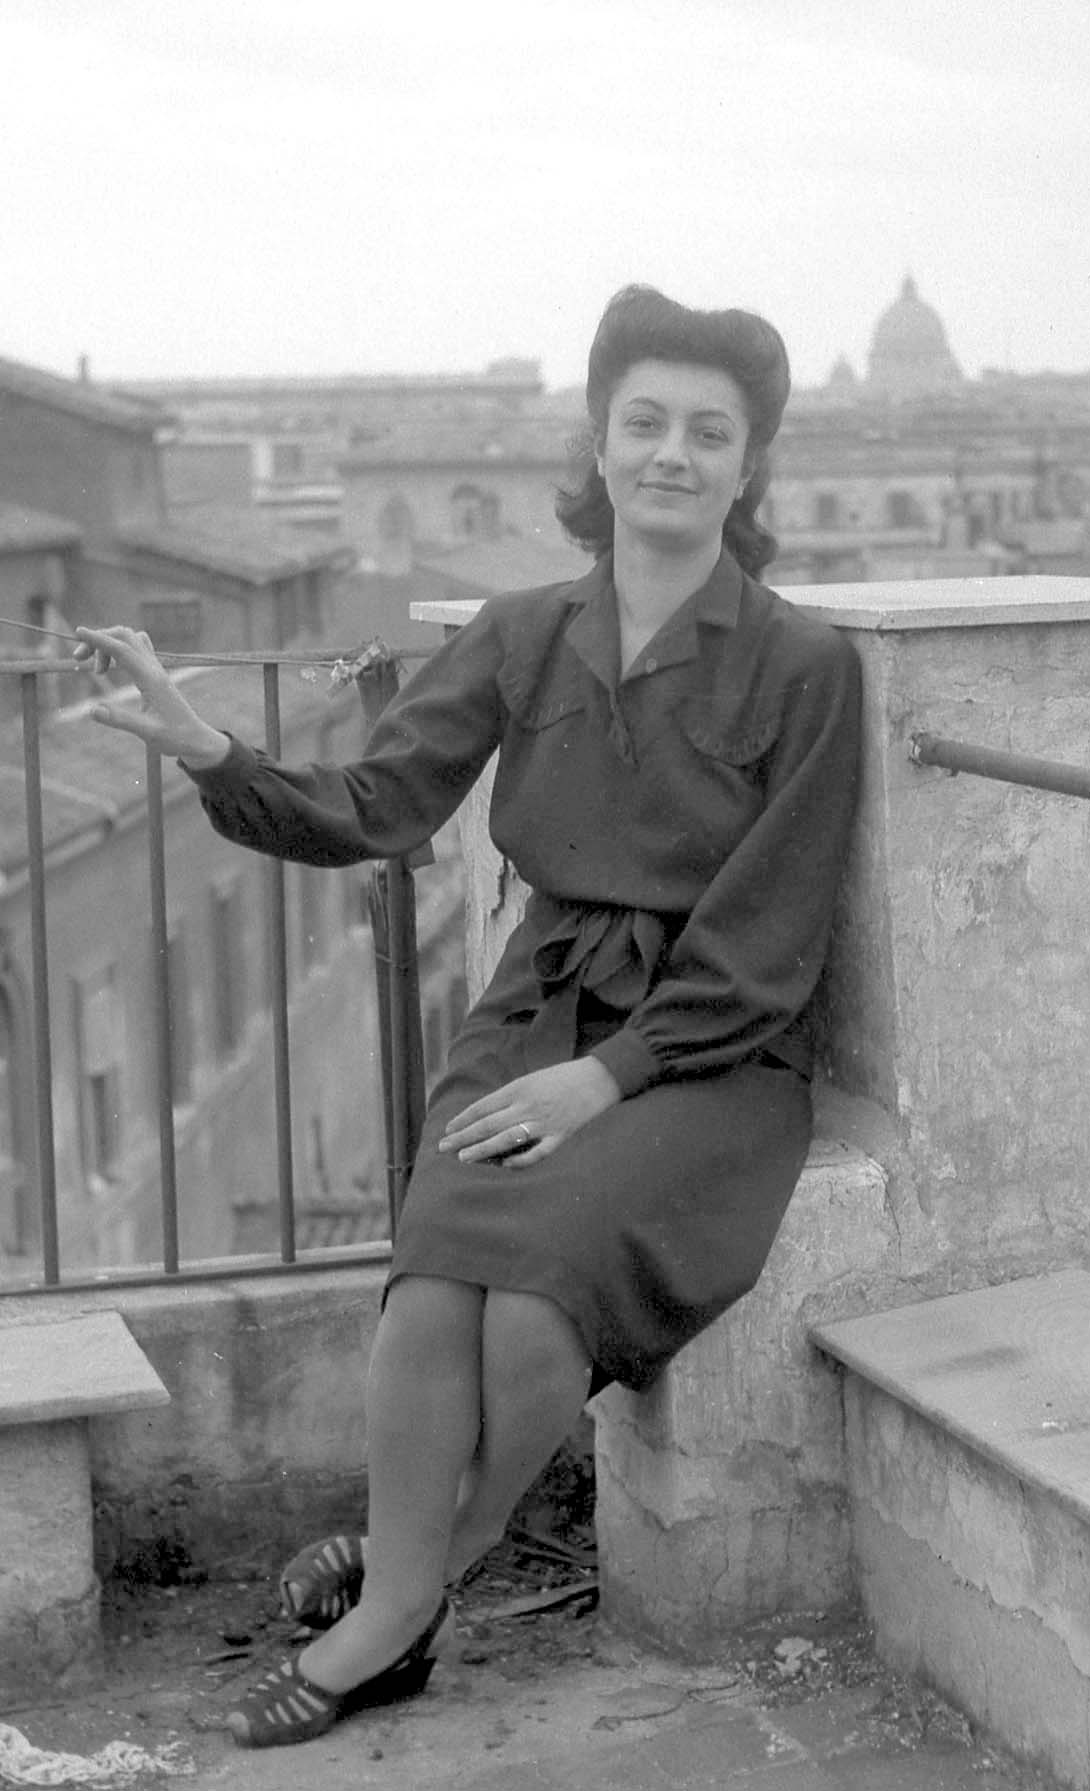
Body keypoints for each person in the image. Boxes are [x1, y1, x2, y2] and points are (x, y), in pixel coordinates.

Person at [73, 284, 863, 1748]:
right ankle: (416, 1585)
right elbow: (377, 807)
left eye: (710, 432)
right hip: (536, 1013)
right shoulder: (523, 633)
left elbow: (773, 935)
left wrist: (608, 1083)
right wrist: (204, 745)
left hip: (710, 1052)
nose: (673, 454)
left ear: (751, 468)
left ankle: (400, 1605)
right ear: (600, 443)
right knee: (439, 1275)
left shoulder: (807, 667)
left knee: (540, 1283)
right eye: (647, 424)